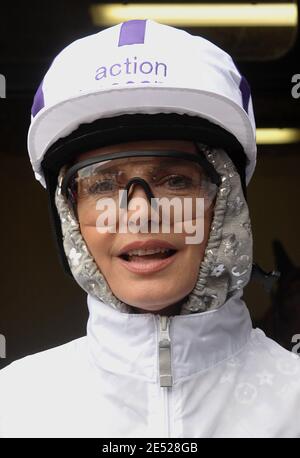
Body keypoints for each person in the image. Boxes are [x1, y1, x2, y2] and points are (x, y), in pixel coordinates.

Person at [0, 18, 300, 438]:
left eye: (175, 180)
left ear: (226, 202)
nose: (140, 214)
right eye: (103, 185)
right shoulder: (14, 405)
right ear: (69, 216)